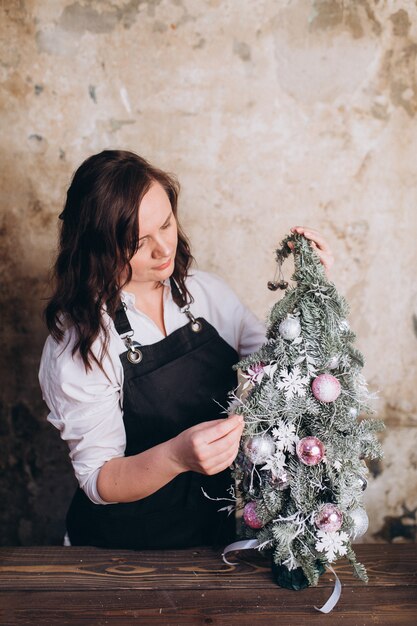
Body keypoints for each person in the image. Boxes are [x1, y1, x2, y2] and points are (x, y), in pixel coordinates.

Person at [38, 149, 334, 550]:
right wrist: (176, 456)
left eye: (166, 224)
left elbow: (279, 365)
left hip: (214, 537)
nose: (164, 250)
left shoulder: (203, 292)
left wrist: (312, 296)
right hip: (119, 551)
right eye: (137, 242)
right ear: (97, 249)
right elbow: (99, 479)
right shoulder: (81, 342)